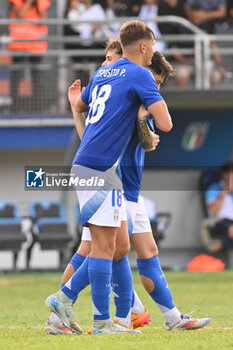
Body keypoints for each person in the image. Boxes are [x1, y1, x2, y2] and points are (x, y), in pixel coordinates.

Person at [46, 39, 211, 335]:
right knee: (99, 249)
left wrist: (143, 122)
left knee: (137, 249)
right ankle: (70, 311)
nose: (108, 64)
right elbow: (135, 139)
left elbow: (144, 141)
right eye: (106, 59)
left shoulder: (131, 95)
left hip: (127, 188)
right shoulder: (125, 91)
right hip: (109, 181)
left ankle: (167, 316)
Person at [8, 0, 51, 112]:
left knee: (37, 77)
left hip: (35, 45)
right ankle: (15, 108)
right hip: (18, 45)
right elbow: (20, 15)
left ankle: (38, 108)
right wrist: (28, 3)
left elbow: (43, 19)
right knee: (16, 76)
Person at [205, 162, 233, 250]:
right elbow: (214, 211)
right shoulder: (214, 188)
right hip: (219, 221)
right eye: (228, 174)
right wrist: (223, 192)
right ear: (222, 175)